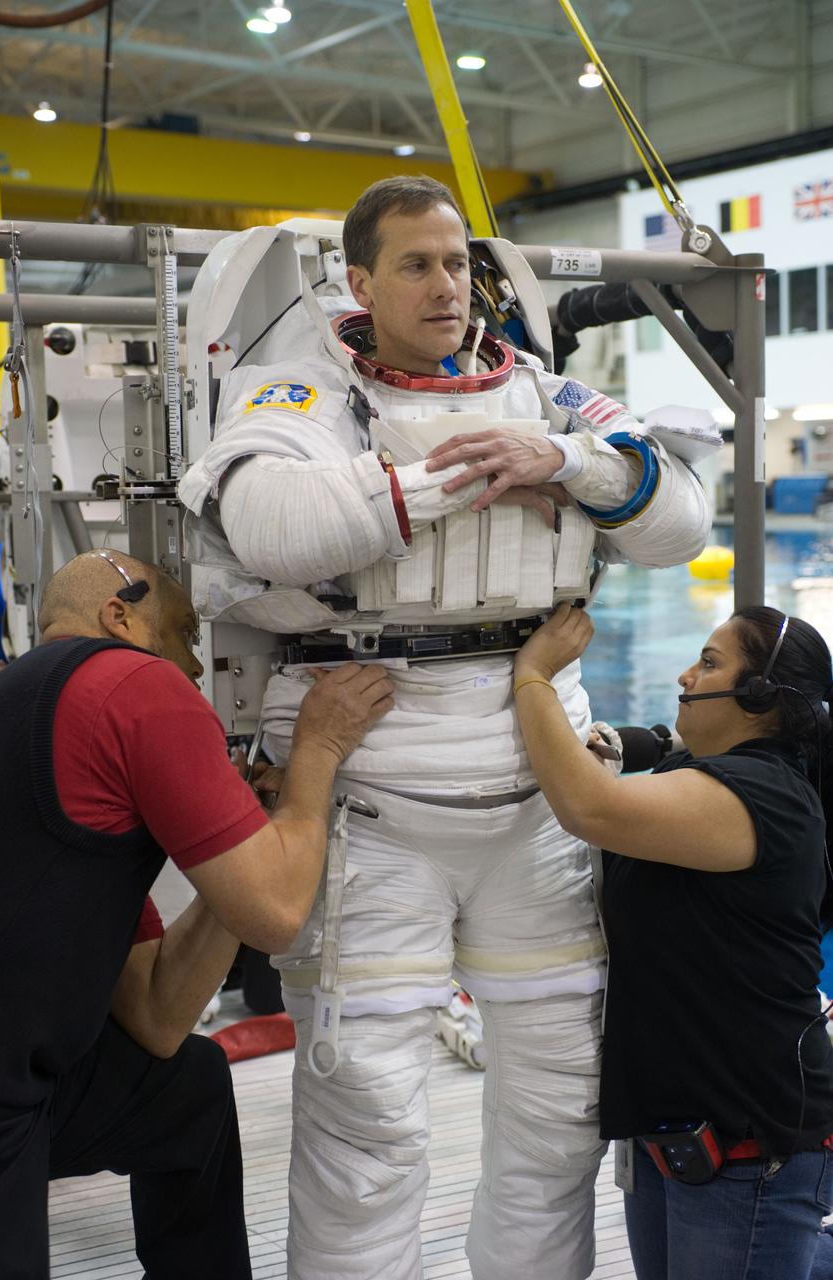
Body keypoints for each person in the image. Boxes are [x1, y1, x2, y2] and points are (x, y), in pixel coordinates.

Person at [178, 174, 717, 1280]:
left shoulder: (543, 395)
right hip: (374, 778)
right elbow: (271, 519)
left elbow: (678, 518)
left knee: (558, 1102)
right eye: (415, 264)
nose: (444, 285)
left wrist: (559, 461)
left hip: (536, 781)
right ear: (358, 279)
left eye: (456, 263)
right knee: (367, 1112)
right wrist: (466, 477)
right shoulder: (298, 395)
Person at [0, 549, 393, 1280]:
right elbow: (276, 916)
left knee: (186, 1088)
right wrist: (318, 752)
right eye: (182, 634)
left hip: (21, 1074)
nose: (198, 669)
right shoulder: (130, 680)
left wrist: (247, 844)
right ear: (121, 616)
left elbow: (156, 1018)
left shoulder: (23, 712)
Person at [511, 602, 833, 1280]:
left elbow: (588, 809)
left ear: (757, 697)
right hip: (678, 1131)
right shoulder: (735, 782)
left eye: (709, 664)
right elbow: (672, 760)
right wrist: (634, 745)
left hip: (746, 1143)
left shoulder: (760, 795)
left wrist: (533, 676)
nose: (686, 675)